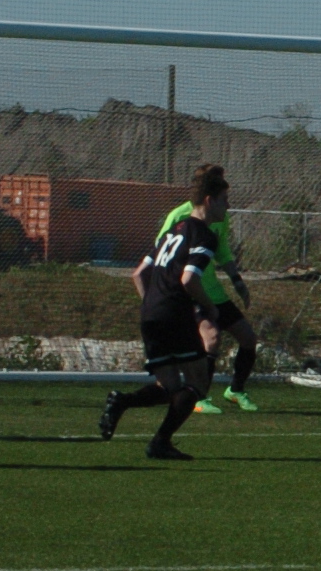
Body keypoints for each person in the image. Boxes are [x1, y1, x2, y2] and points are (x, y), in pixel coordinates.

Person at [99, 166, 226, 461]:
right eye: (224, 200)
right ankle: (160, 442)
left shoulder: (171, 232)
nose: (228, 206)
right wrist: (208, 307)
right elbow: (188, 279)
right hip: (174, 313)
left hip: (150, 313)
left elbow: (138, 274)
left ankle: (122, 401)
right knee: (198, 383)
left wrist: (153, 303)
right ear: (209, 201)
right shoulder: (204, 235)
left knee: (170, 386)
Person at [153, 169, 260, 414]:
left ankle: (235, 390)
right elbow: (161, 250)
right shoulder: (180, 216)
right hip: (191, 290)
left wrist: (237, 281)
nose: (228, 204)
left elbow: (222, 251)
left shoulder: (220, 216)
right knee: (211, 338)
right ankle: (197, 397)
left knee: (248, 338)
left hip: (213, 291)